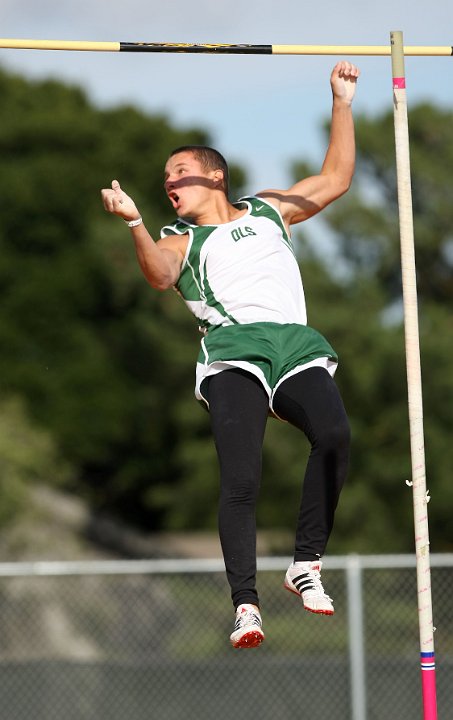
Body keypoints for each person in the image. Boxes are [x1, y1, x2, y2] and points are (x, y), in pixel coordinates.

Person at [101, 60, 360, 649]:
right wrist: (138, 222)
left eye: (181, 173)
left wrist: (341, 102)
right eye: (166, 178)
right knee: (242, 475)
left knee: (336, 435)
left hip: (294, 342)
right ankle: (246, 604)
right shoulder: (179, 237)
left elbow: (336, 179)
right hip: (233, 351)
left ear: (215, 176)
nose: (170, 183)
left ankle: (305, 563)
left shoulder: (268, 208)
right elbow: (160, 278)